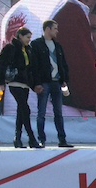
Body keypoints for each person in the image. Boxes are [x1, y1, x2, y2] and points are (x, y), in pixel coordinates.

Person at [1, 0, 96, 114]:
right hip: (54, 125)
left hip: (14, 119)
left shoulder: (14, 11)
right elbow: (86, 89)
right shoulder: (68, 8)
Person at [0, 27, 41, 149]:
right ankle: (31, 138)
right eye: (27, 37)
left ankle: (18, 139)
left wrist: (35, 84)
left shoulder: (28, 50)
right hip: (15, 83)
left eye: (30, 38)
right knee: (25, 109)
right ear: (20, 36)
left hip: (25, 84)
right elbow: (0, 64)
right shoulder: (11, 48)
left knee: (21, 111)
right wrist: (0, 82)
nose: (29, 40)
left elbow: (32, 69)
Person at [30, 20, 73, 148]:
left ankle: (62, 140)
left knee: (58, 112)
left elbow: (63, 64)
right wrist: (36, 83)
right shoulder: (36, 44)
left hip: (57, 82)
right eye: (55, 28)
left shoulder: (58, 46)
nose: (57, 31)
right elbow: (34, 66)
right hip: (44, 82)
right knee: (41, 112)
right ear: (47, 29)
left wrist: (64, 78)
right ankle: (41, 140)